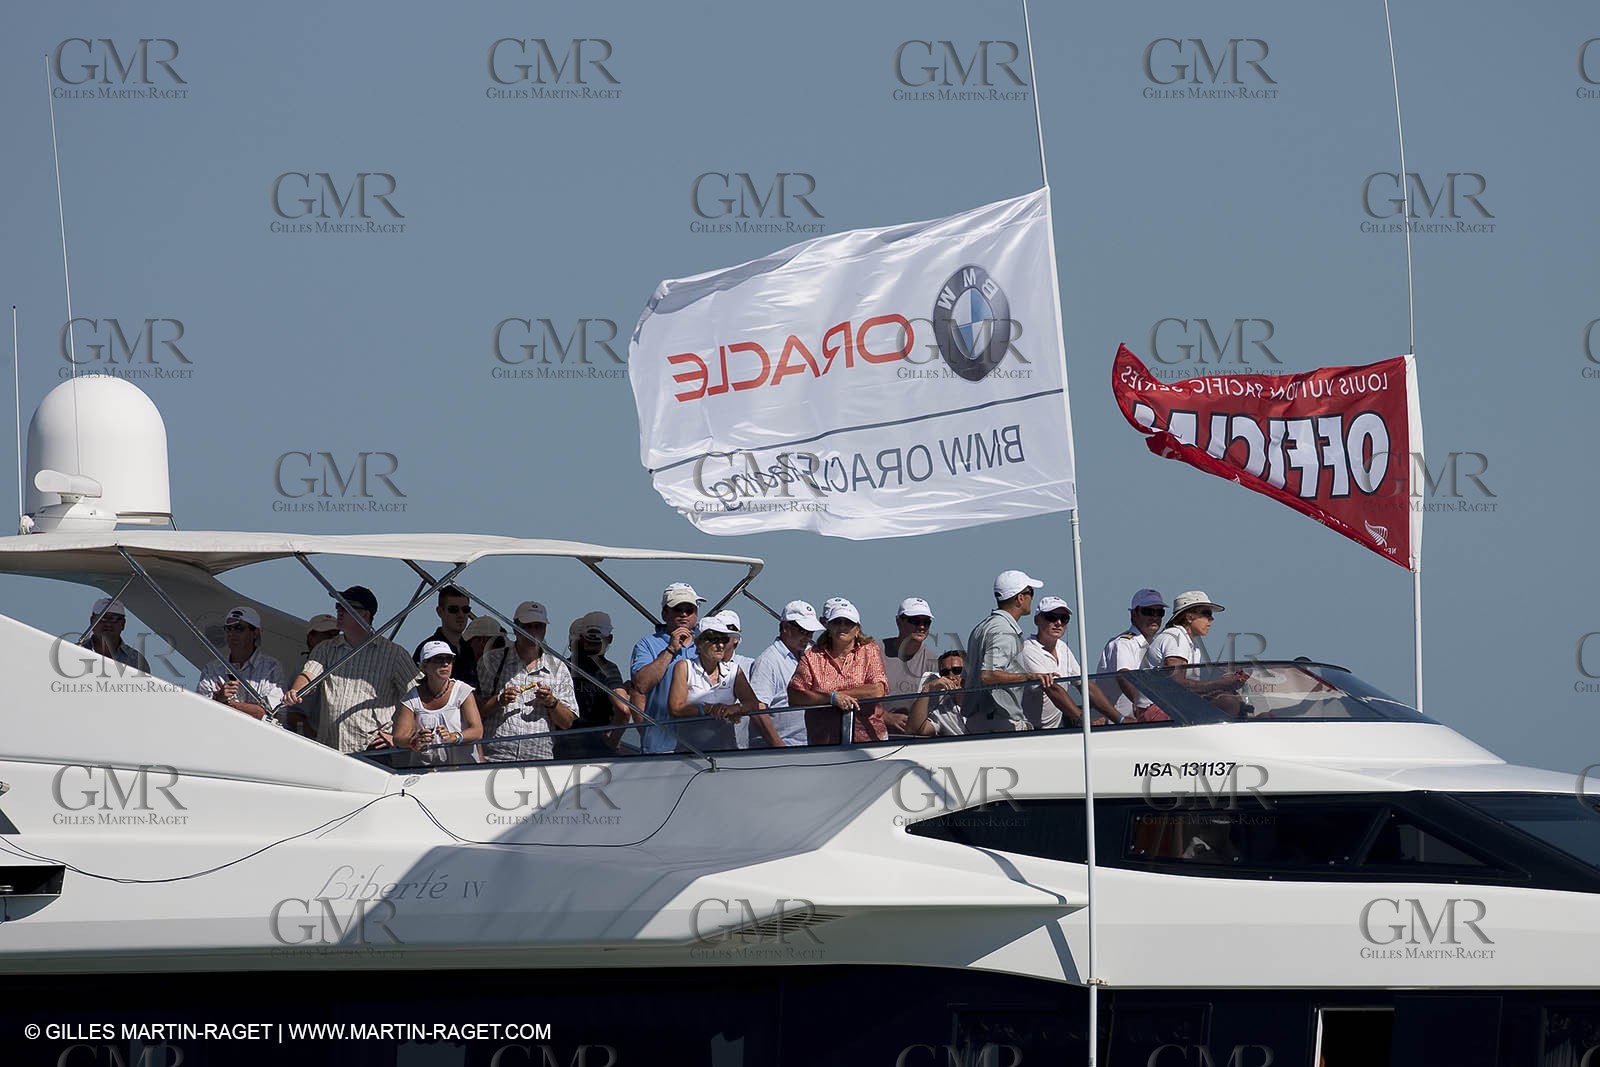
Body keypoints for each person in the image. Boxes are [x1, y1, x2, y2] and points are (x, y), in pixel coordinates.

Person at [281, 586, 419, 754]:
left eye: (346, 607)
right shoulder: (325, 649)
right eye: (338, 606)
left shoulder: (395, 654)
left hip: (372, 751)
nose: (339, 611)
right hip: (328, 748)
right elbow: (308, 674)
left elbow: (419, 695)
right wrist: (296, 691)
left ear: (365, 615)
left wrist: (397, 736)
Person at [477, 601, 576, 761]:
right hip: (496, 757)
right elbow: (474, 712)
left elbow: (567, 722)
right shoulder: (492, 661)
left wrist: (551, 702)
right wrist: (499, 700)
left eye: (538, 626)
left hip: (539, 759)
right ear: (515, 628)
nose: (533, 631)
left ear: (545, 629)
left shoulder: (559, 668)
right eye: (528, 626)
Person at [788, 597, 888, 745]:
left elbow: (877, 689)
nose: (842, 627)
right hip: (824, 743)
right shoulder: (812, 656)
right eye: (837, 622)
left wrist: (839, 696)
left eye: (848, 623)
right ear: (829, 627)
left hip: (869, 742)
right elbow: (794, 695)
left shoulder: (869, 650)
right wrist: (831, 698)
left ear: (857, 630)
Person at [965, 569, 1053, 733]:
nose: (1032, 598)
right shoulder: (1004, 630)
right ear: (1020, 598)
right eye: (1030, 593)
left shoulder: (981, 628)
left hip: (976, 721)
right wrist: (1029, 676)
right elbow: (988, 674)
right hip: (1000, 722)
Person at [1019, 596, 1123, 728]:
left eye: (1064, 618)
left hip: (1054, 730)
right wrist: (1086, 722)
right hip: (1028, 733)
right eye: (1052, 617)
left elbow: (1086, 685)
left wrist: (1120, 719)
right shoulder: (1027, 649)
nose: (1058, 623)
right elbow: (1052, 688)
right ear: (1037, 620)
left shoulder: (1063, 648)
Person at [1144, 590, 1250, 715]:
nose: (1211, 619)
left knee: (1231, 697)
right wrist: (1219, 684)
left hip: (1168, 705)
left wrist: (1226, 680)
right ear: (1189, 617)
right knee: (1228, 701)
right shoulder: (1176, 637)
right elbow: (1177, 684)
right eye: (1206, 613)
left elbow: (1190, 685)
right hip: (1157, 708)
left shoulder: (1190, 643)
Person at [630, 582, 703, 755]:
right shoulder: (646, 644)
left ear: (696, 614)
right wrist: (670, 649)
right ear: (665, 613)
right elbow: (641, 685)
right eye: (678, 609)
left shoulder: (706, 646)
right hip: (661, 747)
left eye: (690, 610)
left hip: (702, 745)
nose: (684, 614)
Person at [669, 615, 758, 753]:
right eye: (714, 640)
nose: (721, 645)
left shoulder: (734, 670)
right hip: (689, 755)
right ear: (699, 643)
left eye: (724, 640)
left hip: (727, 752)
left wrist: (735, 708)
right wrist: (709, 709)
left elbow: (753, 703)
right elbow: (675, 708)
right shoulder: (684, 667)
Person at [746, 600, 825, 748]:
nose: (808, 637)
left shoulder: (810, 656)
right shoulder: (768, 661)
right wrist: (781, 748)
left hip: (809, 748)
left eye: (810, 632)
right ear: (786, 628)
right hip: (779, 753)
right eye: (803, 631)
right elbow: (756, 709)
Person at [555, 611, 631, 759]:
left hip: (563, 749)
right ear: (609, 639)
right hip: (598, 751)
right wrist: (612, 740)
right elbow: (624, 709)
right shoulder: (608, 669)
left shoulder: (561, 668)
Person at [394, 640, 483, 767]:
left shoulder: (463, 691)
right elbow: (399, 738)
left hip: (463, 772)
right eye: (438, 659)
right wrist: (414, 741)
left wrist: (455, 737)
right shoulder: (411, 698)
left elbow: (477, 730)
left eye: (449, 659)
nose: (445, 663)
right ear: (424, 666)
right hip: (425, 772)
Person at [195, 606, 287, 725]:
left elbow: (264, 714)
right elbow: (199, 710)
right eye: (228, 629)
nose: (232, 633)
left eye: (239, 628)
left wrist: (221, 702)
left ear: (255, 633)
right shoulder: (211, 668)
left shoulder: (273, 668)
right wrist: (221, 700)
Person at [1097, 588, 1166, 722]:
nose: (1154, 617)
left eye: (1159, 612)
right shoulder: (1123, 643)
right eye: (1148, 611)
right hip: (1120, 725)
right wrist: (1144, 707)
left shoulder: (1155, 646)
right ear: (1134, 613)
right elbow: (1124, 676)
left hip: (1144, 722)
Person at [880, 597, 942, 737]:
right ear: (898, 621)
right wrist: (885, 717)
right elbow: (856, 695)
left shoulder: (934, 662)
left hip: (915, 742)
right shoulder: (873, 651)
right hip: (872, 740)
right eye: (915, 621)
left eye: (926, 622)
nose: (921, 626)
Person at [411, 585, 479, 689]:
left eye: (465, 609)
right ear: (440, 612)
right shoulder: (426, 649)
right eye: (453, 609)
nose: (461, 615)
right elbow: (414, 688)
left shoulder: (468, 649)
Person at [82, 597, 150, 674]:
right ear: (92, 621)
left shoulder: (137, 661)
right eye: (102, 617)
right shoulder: (74, 652)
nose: (108, 623)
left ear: (123, 624)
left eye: (114, 618)